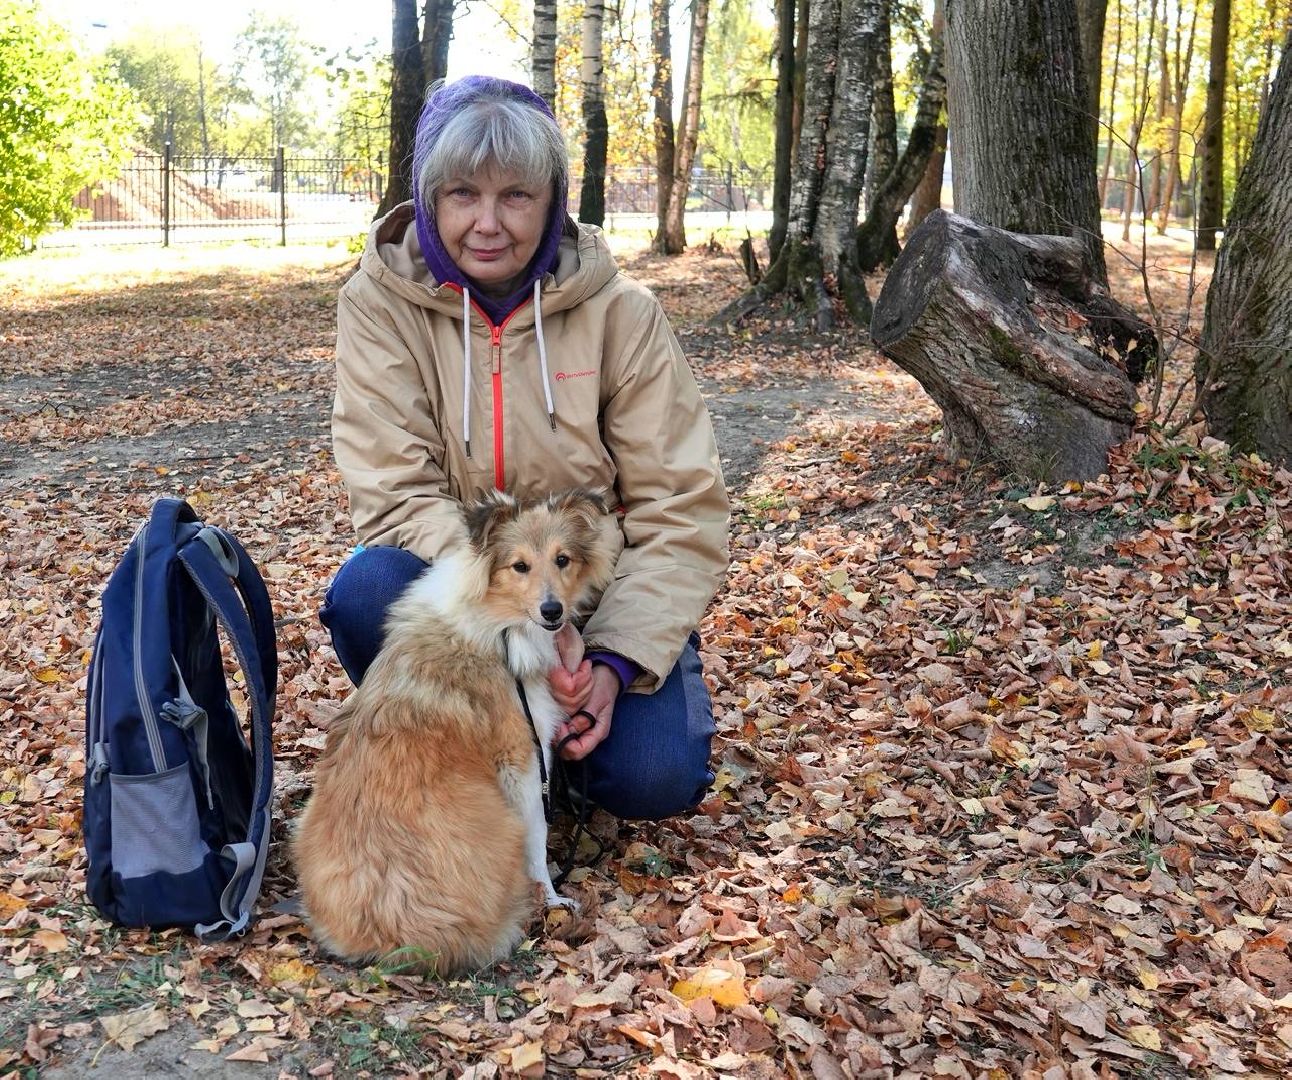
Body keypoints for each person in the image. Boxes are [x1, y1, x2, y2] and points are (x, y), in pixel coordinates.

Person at [320, 76, 729, 821]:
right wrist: (514, 609)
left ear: (553, 201)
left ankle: (561, 753)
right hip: (463, 586)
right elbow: (395, 492)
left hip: (590, 601)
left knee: (655, 778)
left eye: (515, 196)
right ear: (427, 196)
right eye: (462, 195)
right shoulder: (378, 305)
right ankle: (468, 752)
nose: (487, 223)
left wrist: (604, 659)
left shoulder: (623, 315)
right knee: (366, 591)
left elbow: (679, 509)